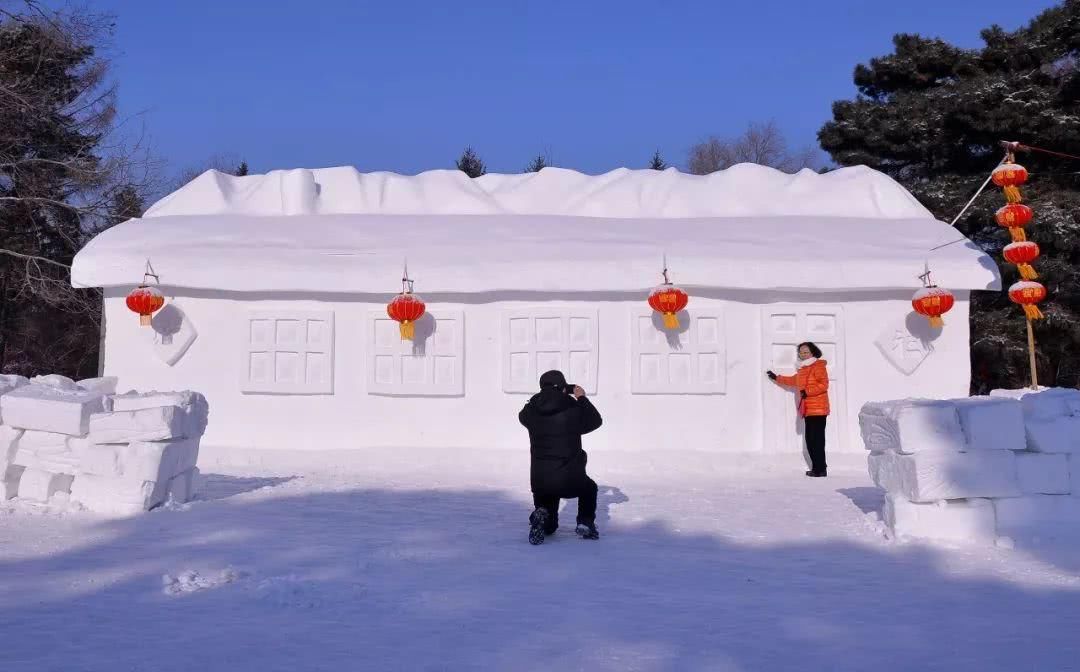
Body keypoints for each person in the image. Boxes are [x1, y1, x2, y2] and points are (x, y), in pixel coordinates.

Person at [519, 370, 603, 545]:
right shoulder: (572, 408)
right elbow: (595, 420)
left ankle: (541, 514)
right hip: (569, 479)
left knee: (549, 527)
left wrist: (543, 395)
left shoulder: (532, 411)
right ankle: (585, 523)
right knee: (589, 488)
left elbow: (523, 414)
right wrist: (581, 397)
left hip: (541, 482)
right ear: (563, 388)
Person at [766, 342, 830, 477]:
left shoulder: (818, 366)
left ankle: (820, 470)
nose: (803, 354)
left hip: (819, 409)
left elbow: (823, 385)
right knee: (810, 440)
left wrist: (808, 391)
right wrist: (776, 377)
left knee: (817, 440)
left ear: (813, 352)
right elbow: (793, 380)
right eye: (801, 352)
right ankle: (818, 467)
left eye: (806, 352)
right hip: (808, 409)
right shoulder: (803, 370)